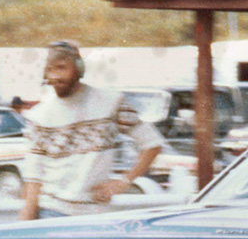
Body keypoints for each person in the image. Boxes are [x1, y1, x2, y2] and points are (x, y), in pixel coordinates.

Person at [19, 40, 163, 220]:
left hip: (94, 216)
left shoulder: (111, 102)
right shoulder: (39, 116)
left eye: (61, 67)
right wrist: (25, 225)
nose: (55, 76)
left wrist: (122, 182)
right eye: (50, 69)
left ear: (79, 69)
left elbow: (153, 145)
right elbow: (33, 178)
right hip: (51, 212)